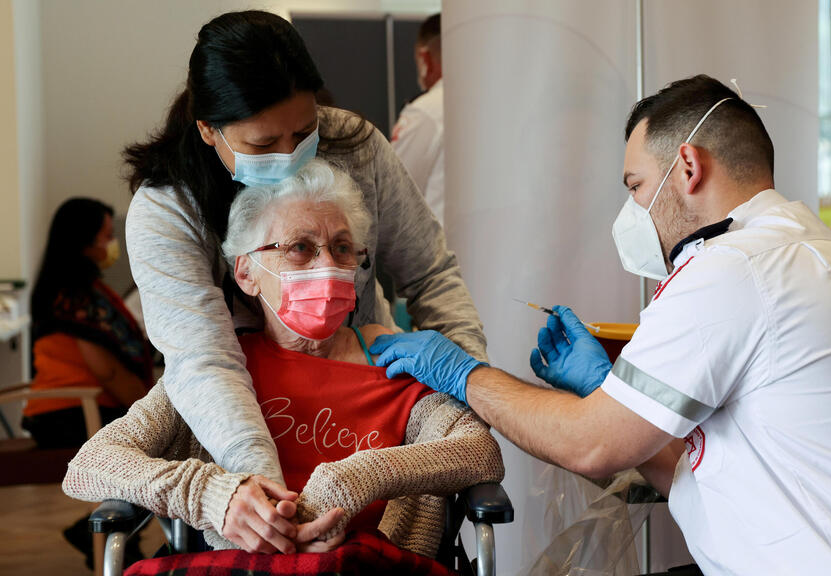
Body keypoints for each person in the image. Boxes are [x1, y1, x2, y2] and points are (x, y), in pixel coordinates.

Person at [370, 75, 831, 574]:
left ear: (688, 168)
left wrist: (458, 369)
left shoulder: (732, 270)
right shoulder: (826, 259)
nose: (632, 211)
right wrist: (603, 389)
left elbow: (592, 446)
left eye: (636, 186)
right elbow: (712, 471)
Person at [121, 9, 486, 538]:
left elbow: (429, 273)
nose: (290, 157)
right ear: (208, 130)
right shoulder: (168, 207)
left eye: (304, 132)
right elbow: (203, 361)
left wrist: (461, 382)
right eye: (263, 146)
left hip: (366, 393)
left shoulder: (355, 145)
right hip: (240, 439)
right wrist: (269, 504)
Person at [64, 160, 503, 569]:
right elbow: (92, 464)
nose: (328, 265)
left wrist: (356, 478)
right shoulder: (219, 378)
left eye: (343, 247)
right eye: (300, 248)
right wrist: (214, 494)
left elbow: (479, 451)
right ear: (245, 274)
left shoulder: (397, 361)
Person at [23, 197, 152, 568]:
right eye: (107, 236)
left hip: (80, 406)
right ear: (83, 239)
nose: (112, 245)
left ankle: (122, 537)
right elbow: (107, 370)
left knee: (160, 441)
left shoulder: (79, 289)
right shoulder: (74, 296)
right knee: (159, 442)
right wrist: (148, 407)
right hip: (67, 412)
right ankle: (111, 534)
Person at [390, 13, 445, 224]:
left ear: (425, 59)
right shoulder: (503, 105)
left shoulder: (426, 112)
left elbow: (394, 190)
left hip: (442, 248)